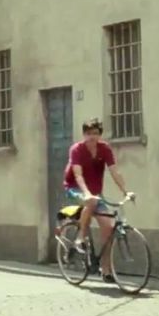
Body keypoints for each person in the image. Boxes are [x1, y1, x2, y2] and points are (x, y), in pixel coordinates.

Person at [62, 117, 134, 281]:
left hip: (95, 193)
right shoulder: (77, 149)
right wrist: (87, 193)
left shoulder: (104, 149)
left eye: (95, 133)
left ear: (100, 134)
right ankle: (80, 238)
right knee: (91, 202)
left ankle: (105, 269)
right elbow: (78, 175)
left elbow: (115, 171)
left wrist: (126, 191)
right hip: (75, 188)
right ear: (84, 134)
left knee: (108, 227)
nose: (92, 137)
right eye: (88, 133)